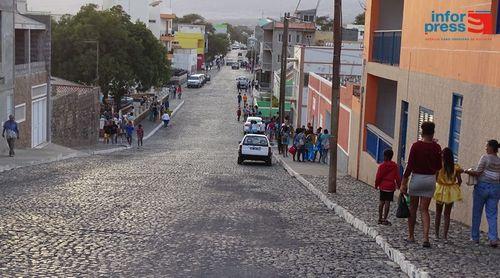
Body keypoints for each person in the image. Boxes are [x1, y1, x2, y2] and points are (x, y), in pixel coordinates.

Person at [401, 122, 442, 248]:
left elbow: (410, 166)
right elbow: (438, 166)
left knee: (413, 208)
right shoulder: (437, 147)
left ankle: (411, 236)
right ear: (433, 132)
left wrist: (404, 182)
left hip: (417, 179)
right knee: (424, 209)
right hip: (430, 180)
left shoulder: (416, 146)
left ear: (422, 132)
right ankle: (425, 238)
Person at [465, 139, 500, 247]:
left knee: (477, 212)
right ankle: (493, 238)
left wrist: (468, 171)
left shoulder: (485, 158)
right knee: (492, 214)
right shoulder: (499, 160)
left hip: (482, 187)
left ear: (491, 148)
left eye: (487, 146)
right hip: (495, 188)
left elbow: (478, 173)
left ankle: (475, 237)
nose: (485, 148)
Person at [433, 147, 463, 240]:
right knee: (447, 214)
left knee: (438, 213)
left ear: (443, 156)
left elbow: (435, 178)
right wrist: (455, 186)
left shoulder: (439, 166)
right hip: (450, 191)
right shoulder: (455, 167)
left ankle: (436, 234)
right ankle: (445, 236)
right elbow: (460, 181)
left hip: (440, 189)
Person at [375, 149, 401, 226]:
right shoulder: (394, 166)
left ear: (385, 156)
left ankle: (379, 218)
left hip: (383, 186)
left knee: (381, 202)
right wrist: (399, 185)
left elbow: (378, 177)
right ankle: (385, 218)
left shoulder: (382, 166)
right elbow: (397, 177)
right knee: (387, 203)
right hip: (390, 187)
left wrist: (376, 185)